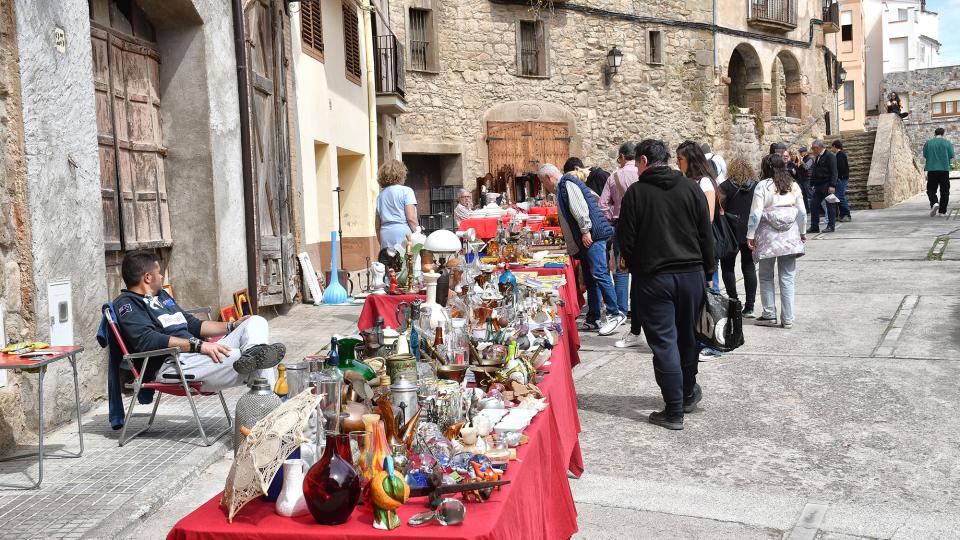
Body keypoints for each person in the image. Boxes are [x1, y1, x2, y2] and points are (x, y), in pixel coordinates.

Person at [616, 139, 714, 430]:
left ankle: (674, 410)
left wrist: (633, 265)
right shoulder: (690, 188)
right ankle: (685, 394)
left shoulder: (637, 193)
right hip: (691, 275)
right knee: (688, 337)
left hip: (654, 278)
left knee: (665, 343)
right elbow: (705, 233)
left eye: (636, 163)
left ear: (644, 160)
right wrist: (708, 270)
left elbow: (626, 240)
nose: (635, 168)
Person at [113, 251, 284, 391]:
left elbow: (192, 324)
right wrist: (199, 346)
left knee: (256, 322)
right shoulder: (127, 304)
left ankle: (254, 351)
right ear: (148, 277)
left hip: (196, 354)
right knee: (258, 360)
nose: (162, 275)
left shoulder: (162, 296)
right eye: (159, 272)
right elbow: (147, 340)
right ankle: (272, 419)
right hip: (173, 363)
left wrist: (231, 326)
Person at [538, 163, 626, 336]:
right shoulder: (565, 185)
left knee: (600, 273)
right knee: (590, 277)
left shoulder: (567, 184)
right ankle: (593, 317)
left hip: (591, 235)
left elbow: (579, 209)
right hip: (588, 237)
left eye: (543, 182)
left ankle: (615, 313)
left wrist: (585, 231)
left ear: (548, 178)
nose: (544, 186)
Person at [747, 154, 806, 329]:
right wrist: (802, 232)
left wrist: (750, 234)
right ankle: (787, 318)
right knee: (787, 277)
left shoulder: (762, 186)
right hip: (790, 236)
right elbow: (802, 211)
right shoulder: (793, 185)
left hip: (768, 237)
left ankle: (769, 314)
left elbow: (756, 213)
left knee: (765, 275)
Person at [718, 157, 759, 318]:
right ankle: (750, 307)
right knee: (748, 267)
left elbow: (720, 208)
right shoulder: (756, 186)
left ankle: (734, 301)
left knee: (727, 267)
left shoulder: (725, 186)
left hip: (730, 231)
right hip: (749, 231)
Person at [375, 160, 419, 250]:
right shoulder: (406, 191)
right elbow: (411, 218)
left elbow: (377, 224)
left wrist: (381, 241)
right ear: (401, 173)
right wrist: (418, 234)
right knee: (407, 261)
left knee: (389, 261)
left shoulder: (380, 195)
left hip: (385, 233)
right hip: (403, 232)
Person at [923, 127, 955, 217]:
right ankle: (942, 211)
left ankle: (934, 203)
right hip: (944, 170)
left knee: (931, 189)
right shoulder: (947, 143)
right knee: (945, 191)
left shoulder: (928, 143)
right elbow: (951, 155)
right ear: (943, 134)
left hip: (932, 169)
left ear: (935, 134)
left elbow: (925, 155)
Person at [807, 139, 837, 233]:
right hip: (819, 186)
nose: (812, 150)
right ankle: (814, 226)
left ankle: (831, 226)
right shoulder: (818, 157)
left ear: (818, 148)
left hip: (828, 185)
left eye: (813, 148)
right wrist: (812, 183)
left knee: (830, 206)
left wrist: (832, 185)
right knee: (813, 204)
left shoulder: (830, 156)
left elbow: (834, 172)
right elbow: (815, 171)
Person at [832, 140, 852, 222]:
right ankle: (842, 215)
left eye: (832, 147)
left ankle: (847, 215)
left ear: (835, 146)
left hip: (842, 179)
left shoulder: (840, 155)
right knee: (839, 196)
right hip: (841, 178)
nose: (831, 149)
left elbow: (841, 168)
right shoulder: (839, 155)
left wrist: (839, 177)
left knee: (840, 196)